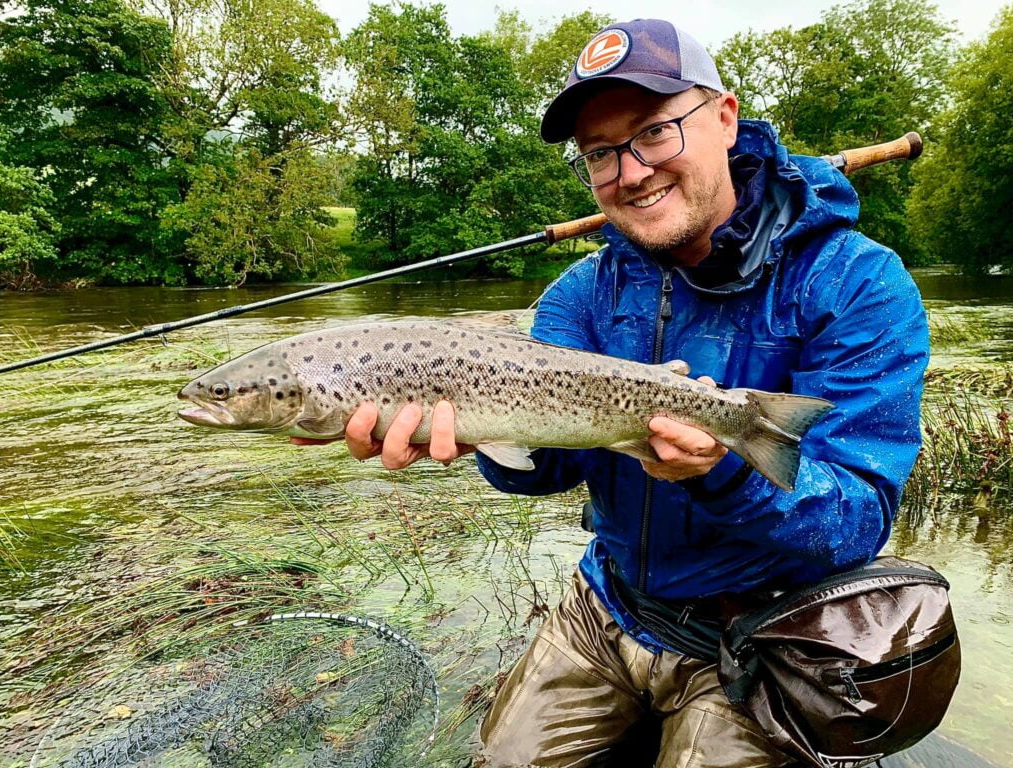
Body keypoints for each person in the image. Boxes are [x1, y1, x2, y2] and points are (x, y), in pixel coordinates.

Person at [309, 17, 930, 768]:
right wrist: (486, 439)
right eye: (601, 153)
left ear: (725, 119)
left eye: (654, 133)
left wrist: (721, 471)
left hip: (758, 638)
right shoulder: (581, 293)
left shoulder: (857, 285)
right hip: (606, 607)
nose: (630, 172)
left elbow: (855, 523)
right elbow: (551, 468)